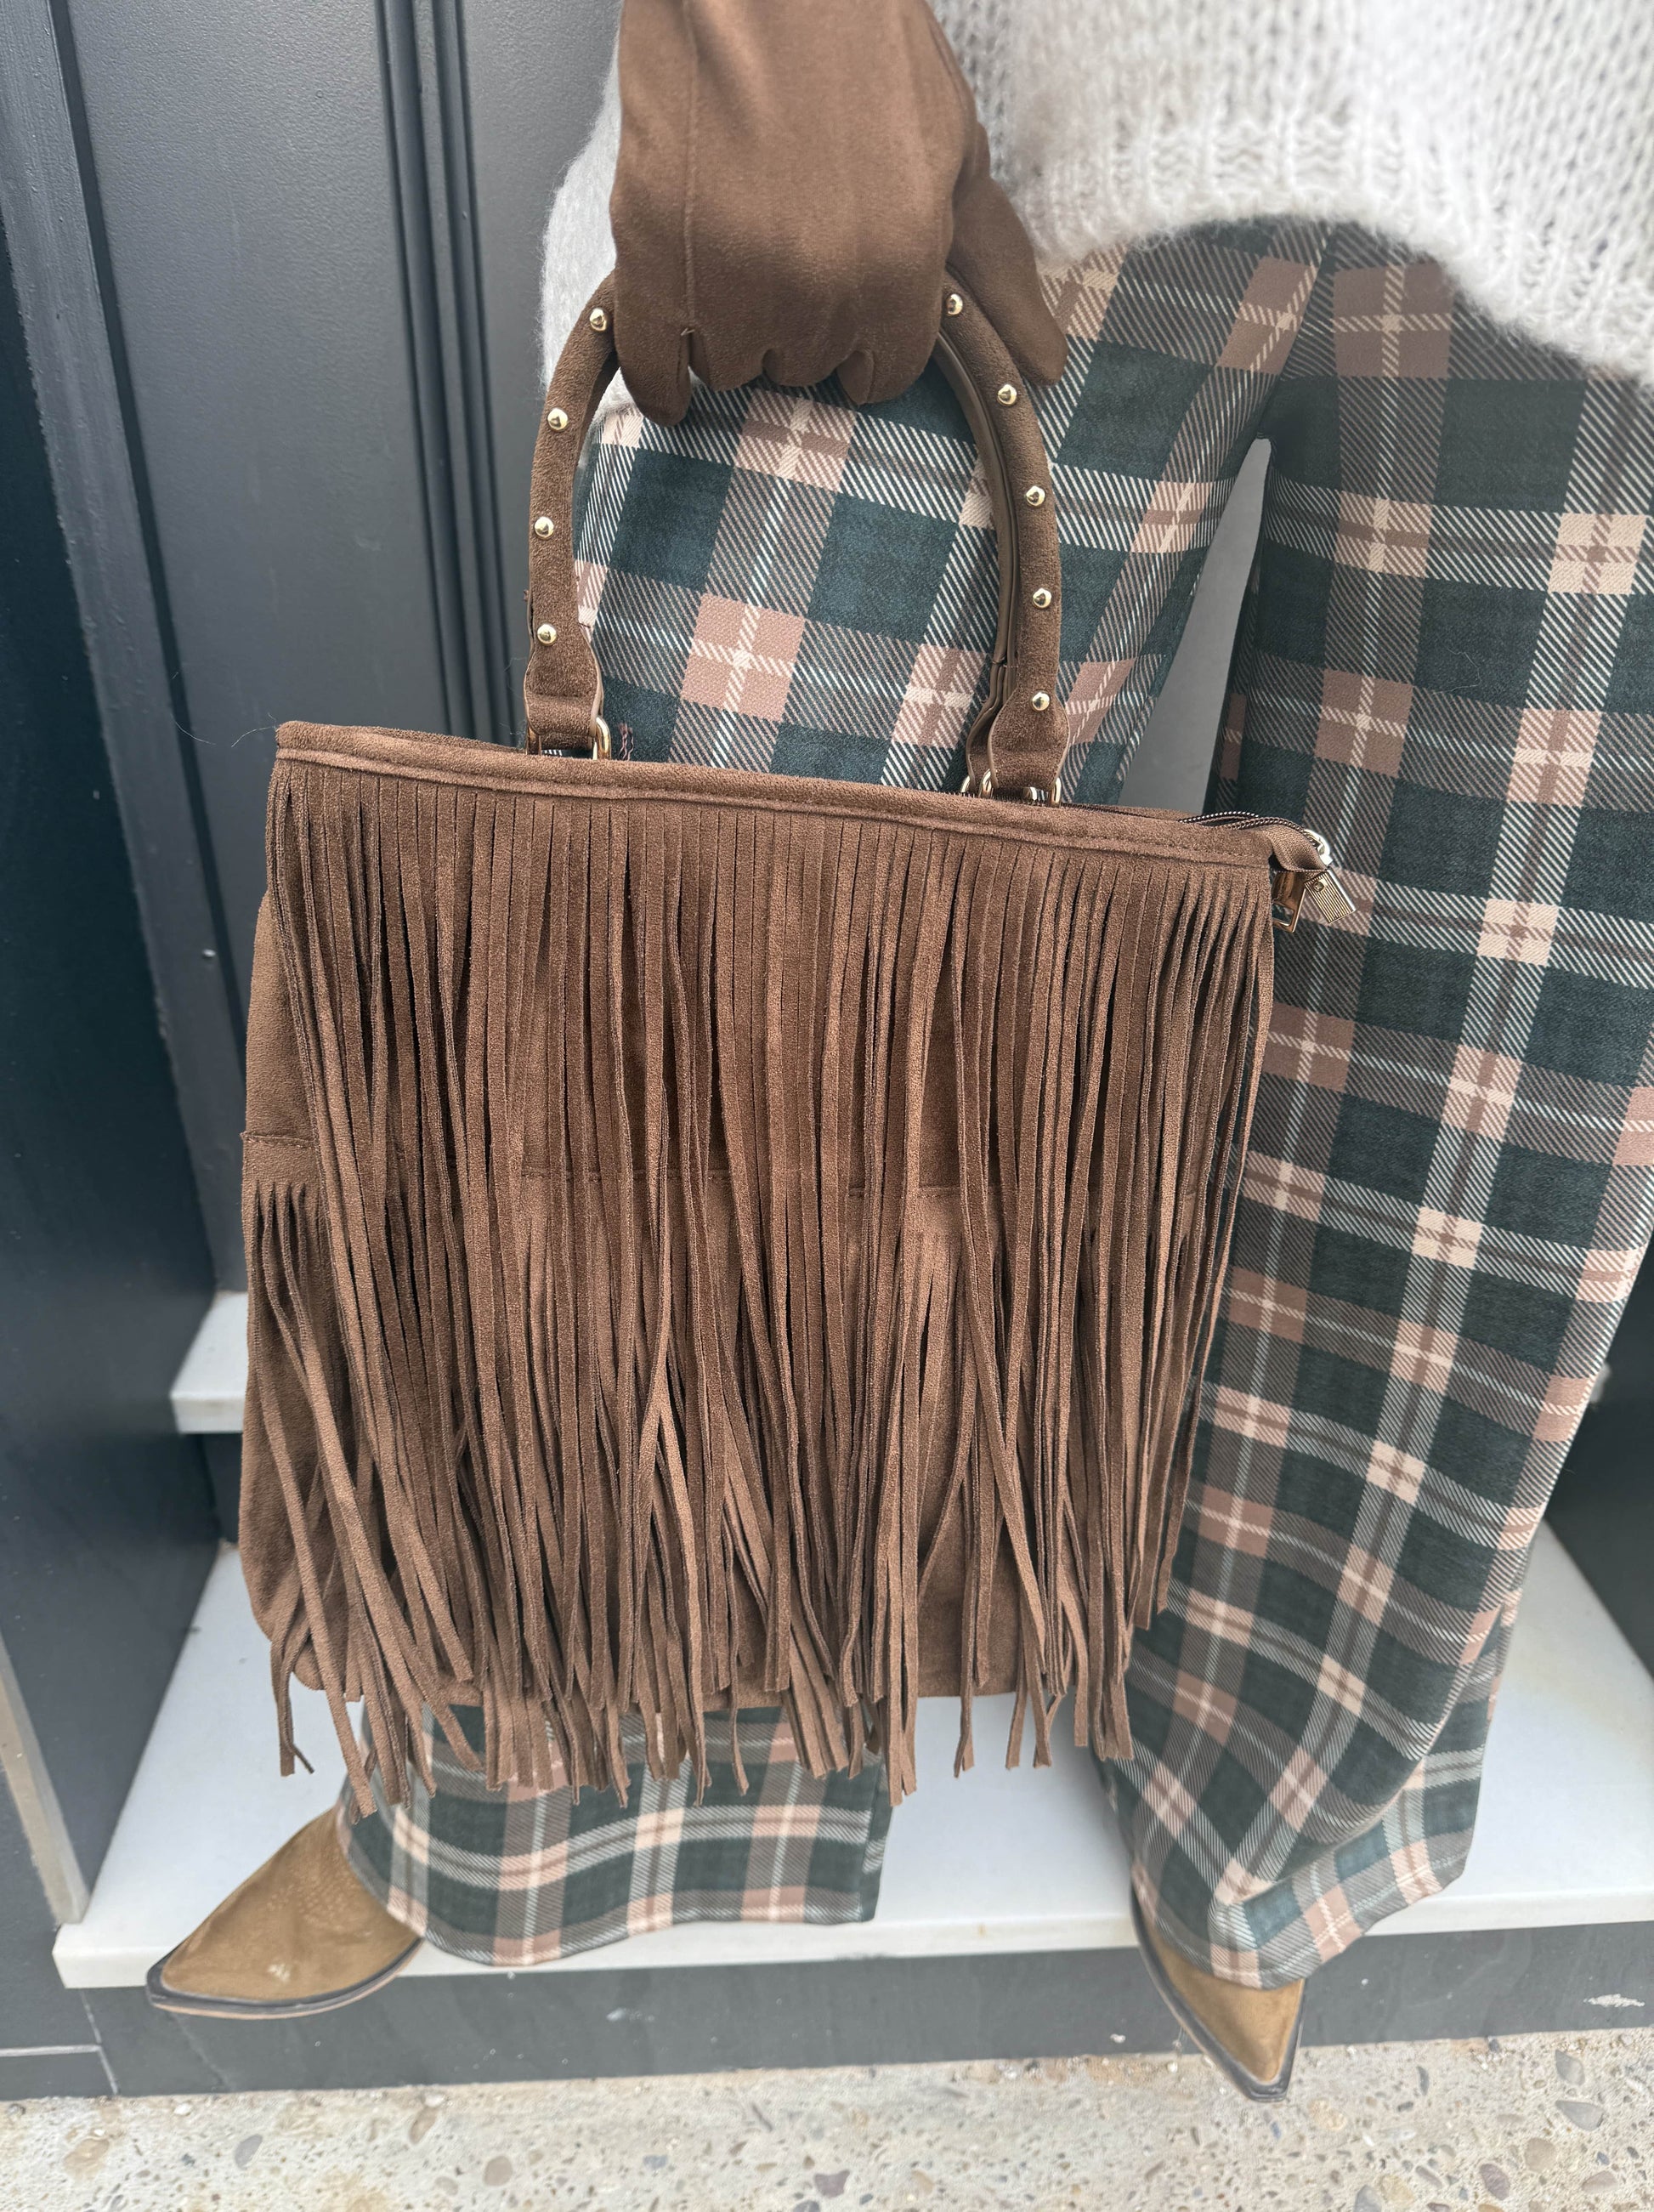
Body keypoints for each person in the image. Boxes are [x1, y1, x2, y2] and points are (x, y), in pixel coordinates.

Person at [152, 0, 1654, 2102]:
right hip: (1035, 63)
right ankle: (530, 1798)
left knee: (1485, 1086)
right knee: (699, 1028)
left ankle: (1273, 1806)